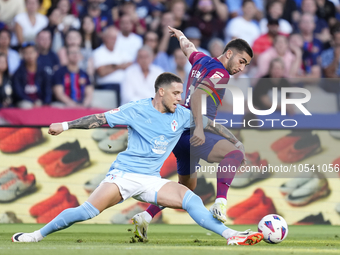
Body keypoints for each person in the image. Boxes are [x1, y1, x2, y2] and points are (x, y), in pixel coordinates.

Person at [11, 72, 263, 246]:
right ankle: (36, 235)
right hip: (124, 175)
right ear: (160, 92)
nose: (179, 98)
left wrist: (235, 141)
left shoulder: (183, 114)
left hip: (151, 180)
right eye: (175, 93)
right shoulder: (136, 109)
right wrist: (65, 125)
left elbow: (209, 123)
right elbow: (98, 119)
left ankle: (231, 234)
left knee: (191, 198)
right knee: (86, 211)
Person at [132, 26, 253, 241]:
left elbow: (188, 48)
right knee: (234, 154)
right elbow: (197, 96)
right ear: (229, 54)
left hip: (179, 134)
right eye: (242, 61)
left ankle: (145, 216)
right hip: (195, 132)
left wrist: (180, 36)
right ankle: (220, 203)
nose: (242, 68)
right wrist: (199, 127)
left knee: (186, 187)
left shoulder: (201, 61)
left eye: (246, 64)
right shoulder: (221, 73)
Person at [12, 42, 52, 108]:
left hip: (40, 101)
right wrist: (32, 101)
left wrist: (46, 102)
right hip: (24, 102)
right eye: (26, 53)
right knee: (27, 106)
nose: (29, 55)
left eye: (31, 52)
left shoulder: (43, 71)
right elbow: (18, 92)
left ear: (37, 53)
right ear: (22, 55)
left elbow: (47, 90)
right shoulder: (18, 73)